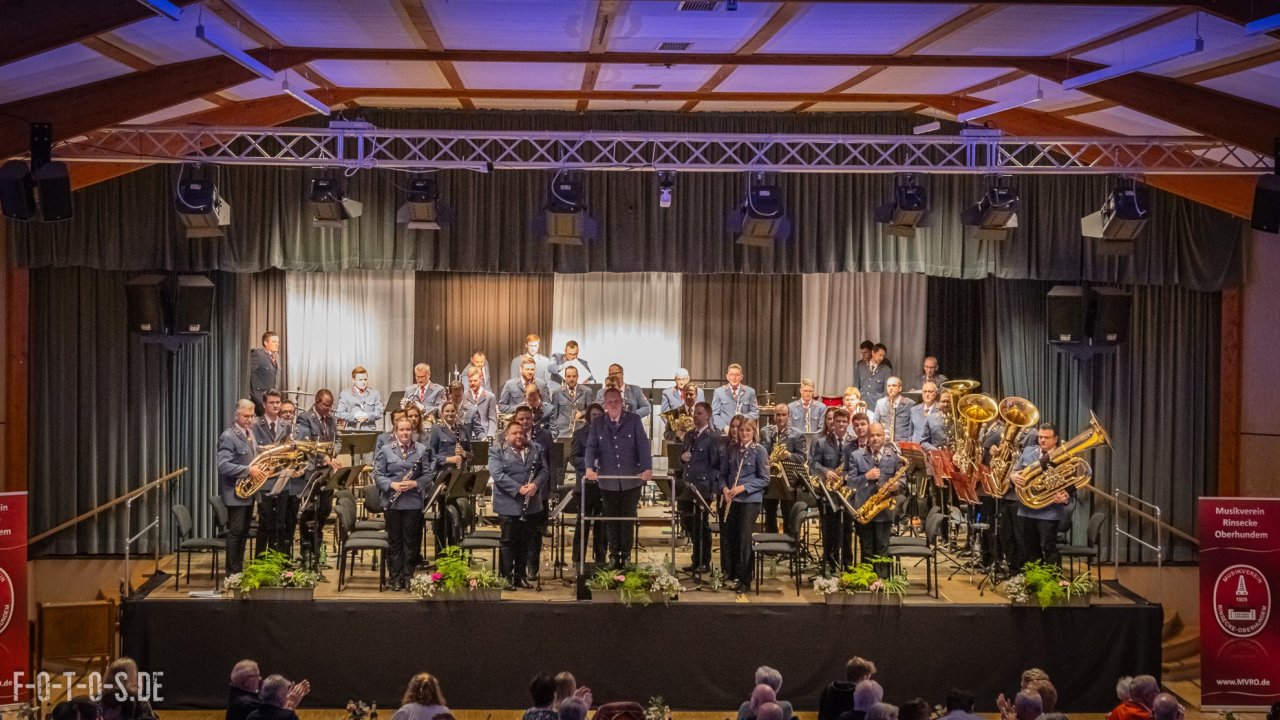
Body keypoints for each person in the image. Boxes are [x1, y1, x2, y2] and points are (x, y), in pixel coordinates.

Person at [584, 388, 653, 568]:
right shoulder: (598, 423)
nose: (613, 405)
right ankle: (613, 555)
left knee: (628, 519)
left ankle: (627, 555)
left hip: (631, 480)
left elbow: (643, 446)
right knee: (611, 520)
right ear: (605, 404)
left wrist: (647, 468)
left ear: (622, 402)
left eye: (616, 401)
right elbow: (591, 447)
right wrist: (589, 468)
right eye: (610, 402)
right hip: (608, 481)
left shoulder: (634, 420)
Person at [490, 421, 548, 588]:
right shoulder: (497, 450)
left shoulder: (535, 448)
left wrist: (535, 485)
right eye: (514, 433)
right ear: (507, 435)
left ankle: (520, 576)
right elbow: (498, 474)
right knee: (508, 542)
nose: (518, 436)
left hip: (531, 504)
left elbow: (544, 470)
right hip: (508, 503)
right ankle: (506, 577)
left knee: (525, 542)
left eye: (521, 433)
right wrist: (519, 489)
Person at [375, 417, 431, 590]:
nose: (405, 433)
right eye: (402, 430)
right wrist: (392, 485)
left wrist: (415, 483)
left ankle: (408, 576)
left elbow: (428, 475)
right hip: (393, 502)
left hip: (413, 502)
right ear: (395, 431)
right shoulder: (386, 449)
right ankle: (395, 576)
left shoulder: (421, 449)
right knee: (395, 541)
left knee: (410, 542)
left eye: (408, 429)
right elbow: (377, 475)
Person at [1011, 423, 1074, 569]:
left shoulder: (1063, 456)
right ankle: (1034, 581)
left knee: (1048, 547)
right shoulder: (1028, 451)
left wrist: (1065, 498)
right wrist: (1013, 476)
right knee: (1029, 548)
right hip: (1026, 509)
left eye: (1046, 437)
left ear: (1055, 439)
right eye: (1040, 437)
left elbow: (1071, 483)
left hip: (1049, 511)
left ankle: (1050, 583)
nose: (1042, 440)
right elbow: (1015, 471)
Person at [294, 390, 344, 570]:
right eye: (326, 405)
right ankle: (307, 553)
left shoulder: (331, 419)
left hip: (327, 473)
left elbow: (337, 439)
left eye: (331, 405)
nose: (329, 409)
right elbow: (306, 444)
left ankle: (318, 552)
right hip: (311, 472)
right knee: (309, 512)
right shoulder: (305, 418)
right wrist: (325, 457)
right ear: (316, 402)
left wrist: (334, 452)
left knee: (324, 510)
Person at [721, 419, 769, 593]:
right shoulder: (732, 450)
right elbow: (723, 474)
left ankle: (745, 579)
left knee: (744, 539)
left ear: (754, 432)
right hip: (733, 500)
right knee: (732, 537)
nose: (744, 433)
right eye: (741, 430)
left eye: (748, 430)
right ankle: (733, 573)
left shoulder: (759, 451)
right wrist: (725, 488)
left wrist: (743, 487)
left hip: (750, 500)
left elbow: (765, 479)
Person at [218, 400, 265, 575]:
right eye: (246, 416)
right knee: (236, 532)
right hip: (235, 494)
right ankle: (232, 572)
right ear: (236, 415)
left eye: (252, 416)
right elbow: (222, 465)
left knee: (244, 532)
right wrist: (248, 470)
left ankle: (239, 568)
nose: (249, 419)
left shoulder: (250, 433)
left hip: (248, 493)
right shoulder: (229, 436)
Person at [849, 423, 903, 563]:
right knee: (866, 549)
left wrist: (896, 486)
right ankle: (867, 583)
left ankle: (882, 583)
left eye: (878, 435)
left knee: (882, 549)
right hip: (864, 510)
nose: (875, 438)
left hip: (884, 513)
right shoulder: (856, 456)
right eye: (872, 435)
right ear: (867, 437)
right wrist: (866, 476)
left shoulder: (894, 457)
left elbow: (903, 482)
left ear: (884, 437)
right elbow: (851, 482)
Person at [251, 390, 294, 556]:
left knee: (280, 523)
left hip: (282, 481)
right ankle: (261, 562)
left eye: (278, 402)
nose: (276, 405)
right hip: (264, 481)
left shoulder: (286, 425)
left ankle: (279, 561)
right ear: (264, 404)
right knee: (265, 524)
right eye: (272, 402)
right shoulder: (255, 425)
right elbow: (253, 452)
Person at [811, 408, 853, 573]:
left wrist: (847, 476)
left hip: (847, 492)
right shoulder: (822, 442)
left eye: (844, 422)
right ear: (832, 423)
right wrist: (826, 472)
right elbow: (814, 464)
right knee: (829, 529)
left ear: (847, 423)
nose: (841, 424)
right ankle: (828, 561)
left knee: (847, 529)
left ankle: (847, 563)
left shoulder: (853, 443)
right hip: (829, 493)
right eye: (838, 421)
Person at [680, 401, 720, 574]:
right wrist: (682, 458)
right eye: (695, 413)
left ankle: (703, 561)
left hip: (703, 487)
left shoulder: (713, 436)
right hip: (688, 485)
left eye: (700, 413)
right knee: (687, 521)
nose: (696, 416)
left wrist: (713, 490)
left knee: (701, 525)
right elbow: (682, 460)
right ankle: (695, 559)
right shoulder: (689, 435)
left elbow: (715, 465)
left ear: (708, 416)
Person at [570, 403, 607, 565]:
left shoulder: (608, 434)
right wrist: (590, 464)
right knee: (582, 523)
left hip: (603, 485)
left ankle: (600, 558)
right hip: (585, 485)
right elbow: (573, 458)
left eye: (599, 415)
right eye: (594, 415)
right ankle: (578, 560)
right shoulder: (579, 434)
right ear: (588, 417)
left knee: (602, 524)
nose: (597, 418)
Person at [761, 403, 806, 535]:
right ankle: (771, 545)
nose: (780, 418)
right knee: (769, 513)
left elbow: (803, 457)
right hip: (770, 478)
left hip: (788, 480)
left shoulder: (796, 435)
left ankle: (789, 544)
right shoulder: (766, 432)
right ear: (774, 416)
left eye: (783, 415)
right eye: (778, 415)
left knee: (788, 514)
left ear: (789, 416)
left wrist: (789, 455)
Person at [226, 660, 309, 720]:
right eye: (257, 675)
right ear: (247, 680)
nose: (260, 678)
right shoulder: (247, 705)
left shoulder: (237, 695)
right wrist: (290, 705)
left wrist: (283, 698)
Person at [712, 363, 760, 430]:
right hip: (724, 432)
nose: (734, 378)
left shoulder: (750, 392)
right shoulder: (719, 392)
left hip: (743, 431)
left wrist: (742, 417)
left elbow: (755, 413)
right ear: (727, 376)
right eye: (731, 375)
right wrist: (724, 427)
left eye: (737, 375)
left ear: (741, 377)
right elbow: (714, 414)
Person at [336, 366, 384, 430]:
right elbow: (339, 413)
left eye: (365, 379)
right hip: (352, 432)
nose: (363, 382)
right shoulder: (345, 394)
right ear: (353, 380)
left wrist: (367, 415)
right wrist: (354, 416)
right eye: (360, 380)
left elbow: (380, 413)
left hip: (370, 432)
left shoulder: (374, 394)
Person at [552, 365, 591, 438]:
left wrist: (582, 413)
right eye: (568, 376)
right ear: (565, 377)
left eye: (574, 376)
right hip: (562, 434)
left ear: (577, 377)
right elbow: (553, 416)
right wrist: (554, 434)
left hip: (580, 433)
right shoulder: (557, 392)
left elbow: (590, 411)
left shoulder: (587, 391)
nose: (571, 379)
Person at [872, 377, 915, 444]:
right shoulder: (880, 403)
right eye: (889, 386)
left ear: (900, 388)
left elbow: (912, 428)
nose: (891, 388)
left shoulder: (910, 404)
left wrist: (909, 443)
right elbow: (875, 422)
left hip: (902, 443)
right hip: (885, 442)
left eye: (894, 385)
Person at [249, 331, 280, 416]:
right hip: (259, 400)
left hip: (271, 399)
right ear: (265, 342)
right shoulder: (258, 355)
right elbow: (248, 376)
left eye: (278, 342)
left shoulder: (276, 356)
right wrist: (254, 396)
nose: (277, 344)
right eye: (274, 342)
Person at [462, 366, 498, 439]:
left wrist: (490, 436)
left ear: (481, 379)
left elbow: (492, 419)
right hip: (467, 435)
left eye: (475, 381)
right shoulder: (464, 396)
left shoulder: (490, 396)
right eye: (470, 381)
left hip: (484, 434)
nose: (472, 383)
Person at [910, 382, 947, 450]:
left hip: (933, 451)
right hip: (916, 451)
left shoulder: (941, 410)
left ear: (936, 393)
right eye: (925, 391)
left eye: (930, 392)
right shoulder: (914, 410)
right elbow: (910, 433)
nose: (927, 394)